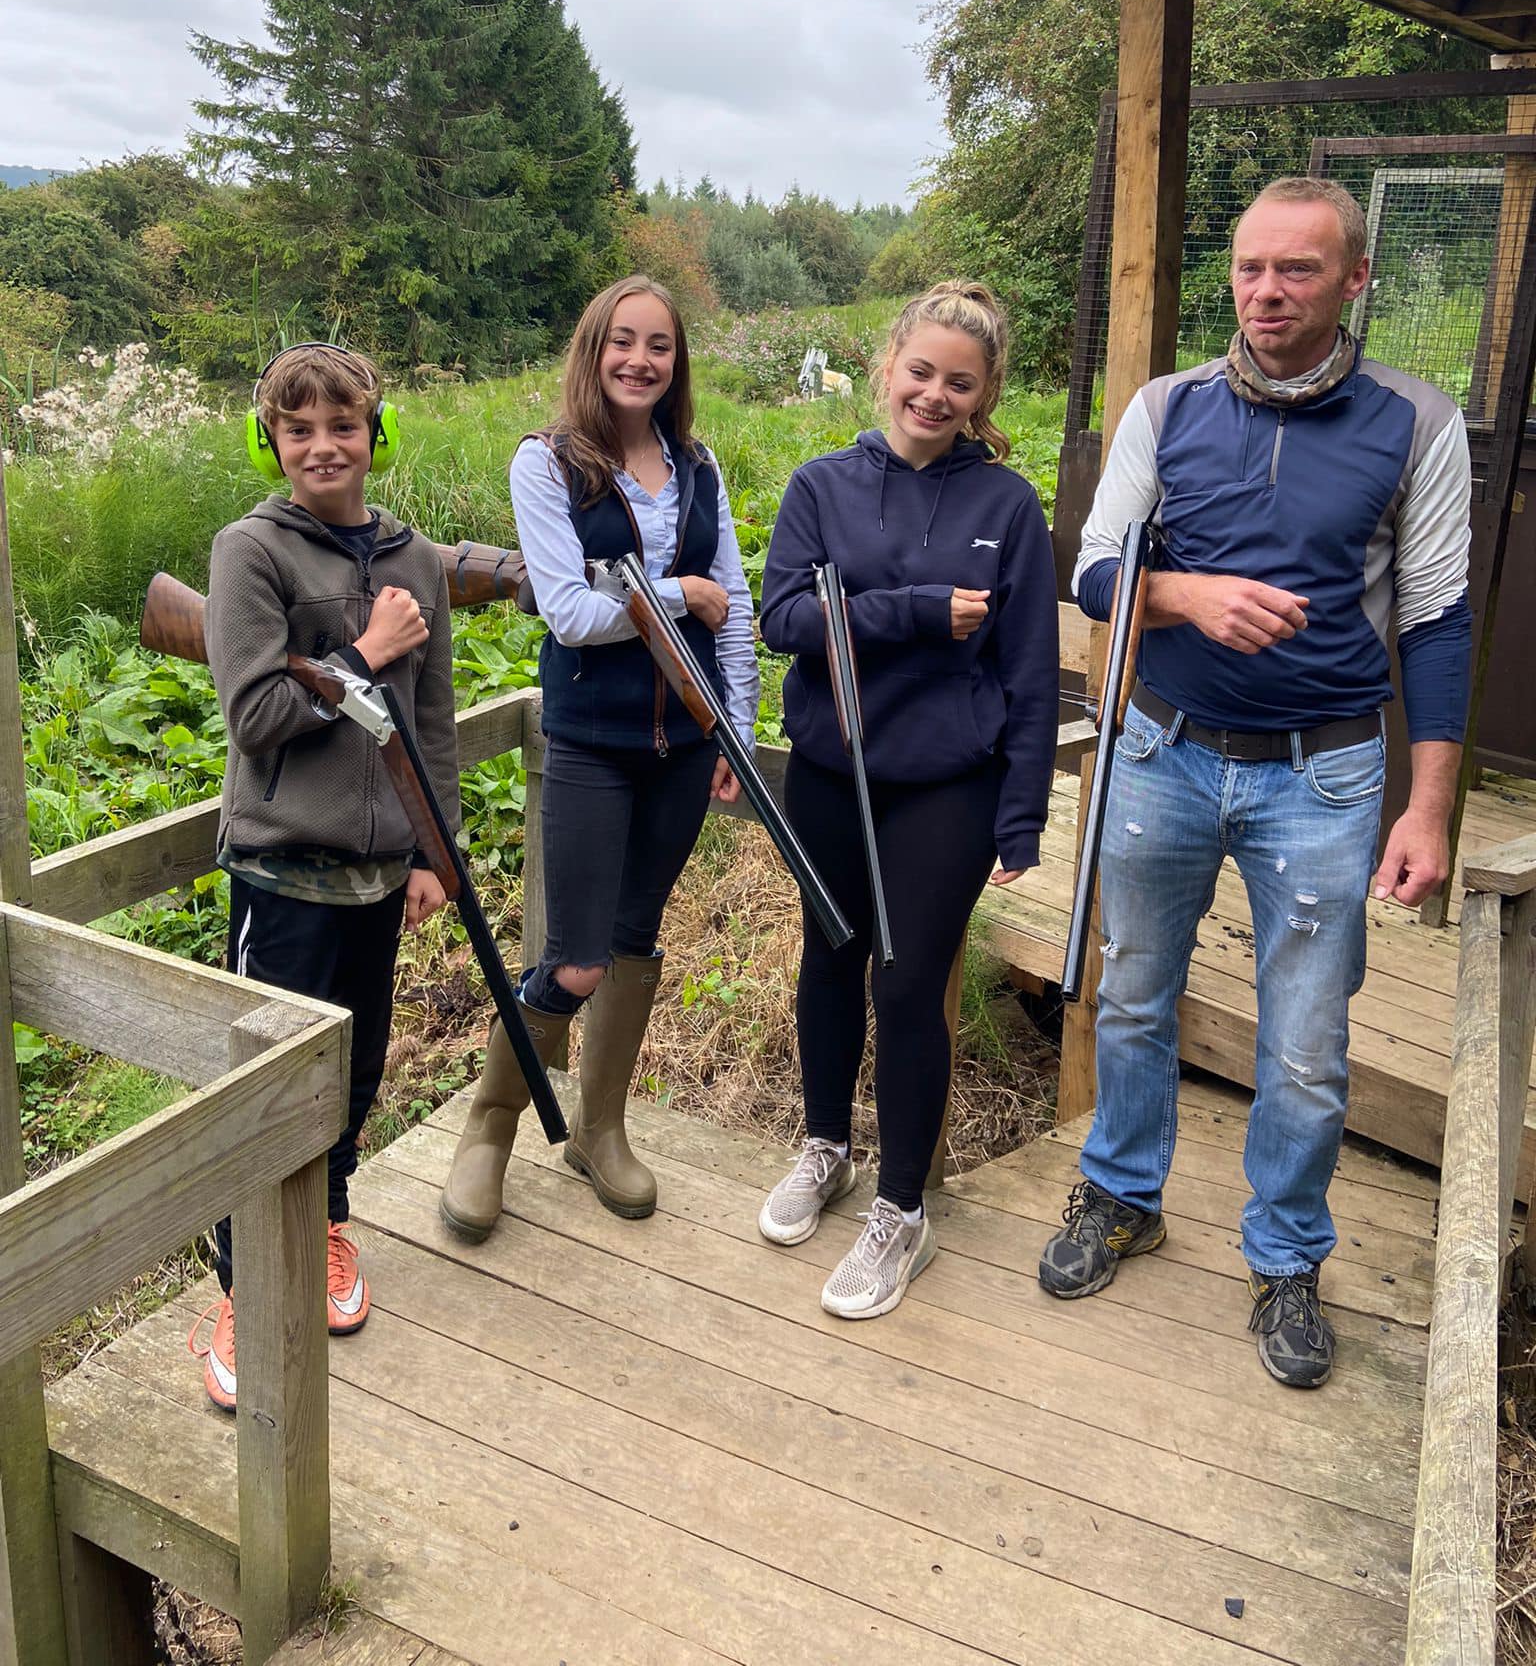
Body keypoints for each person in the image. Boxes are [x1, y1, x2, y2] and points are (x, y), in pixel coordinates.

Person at [1039, 176, 1472, 1389]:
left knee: (1308, 1041)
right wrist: (1184, 595)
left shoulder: (1417, 422)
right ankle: (1123, 1193)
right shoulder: (1167, 407)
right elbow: (1096, 569)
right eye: (1249, 267)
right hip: (1162, 750)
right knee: (1134, 994)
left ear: (1355, 278)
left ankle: (1285, 1253)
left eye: (1297, 269)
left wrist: (1428, 804)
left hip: (1324, 775)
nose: (1266, 291)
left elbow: (1438, 620)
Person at [756, 281, 1058, 1320]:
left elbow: (1029, 666)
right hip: (831, 774)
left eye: (958, 383)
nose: (933, 394)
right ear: (888, 366)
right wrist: (916, 612)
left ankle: (901, 1210)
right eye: (920, 371)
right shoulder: (820, 486)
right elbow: (784, 619)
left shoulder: (1007, 508)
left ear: (983, 396)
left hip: (947, 785)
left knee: (907, 980)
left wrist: (1022, 811)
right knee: (828, 958)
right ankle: (827, 1147)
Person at [439, 275, 758, 1239]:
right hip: (590, 745)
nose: (639, 360)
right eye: (622, 340)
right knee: (576, 961)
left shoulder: (698, 465)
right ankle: (489, 1128)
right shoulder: (545, 463)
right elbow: (572, 616)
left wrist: (736, 729)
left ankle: (599, 1129)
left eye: (659, 345)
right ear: (593, 348)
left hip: (684, 746)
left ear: (677, 361)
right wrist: (680, 595)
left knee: (635, 942)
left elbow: (735, 607)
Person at [191, 343, 457, 1411]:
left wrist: (435, 852)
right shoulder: (249, 551)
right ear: (270, 443)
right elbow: (257, 715)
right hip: (282, 869)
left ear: (375, 434)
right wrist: (367, 649)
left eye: (343, 426)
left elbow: (432, 723)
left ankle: (330, 1223)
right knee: (263, 1090)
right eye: (297, 430)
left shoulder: (415, 557)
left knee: (353, 1072)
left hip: (381, 875)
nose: (322, 447)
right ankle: (244, 1284)